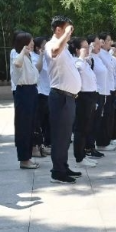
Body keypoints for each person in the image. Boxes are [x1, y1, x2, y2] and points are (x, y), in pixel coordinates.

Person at [44, 16, 81, 184]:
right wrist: (66, 35)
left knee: (65, 136)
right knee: (59, 136)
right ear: (58, 29)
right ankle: (57, 172)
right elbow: (54, 51)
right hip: (60, 97)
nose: (70, 33)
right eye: (67, 29)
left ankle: (63, 166)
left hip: (69, 97)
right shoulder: (51, 44)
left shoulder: (65, 47)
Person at [10, 31, 40, 170]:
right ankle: (23, 159)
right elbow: (17, 64)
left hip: (32, 91)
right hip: (24, 92)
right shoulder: (18, 56)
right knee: (23, 127)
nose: (32, 43)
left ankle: (28, 156)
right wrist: (23, 51)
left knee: (31, 126)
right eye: (30, 41)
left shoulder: (28, 57)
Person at [72, 37, 98, 169]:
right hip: (83, 97)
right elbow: (78, 73)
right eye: (85, 47)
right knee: (80, 128)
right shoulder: (77, 62)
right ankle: (79, 157)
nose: (88, 49)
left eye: (88, 47)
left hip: (91, 96)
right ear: (77, 50)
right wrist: (82, 57)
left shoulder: (86, 62)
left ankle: (82, 153)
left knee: (86, 127)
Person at [32, 36, 51, 157]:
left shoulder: (47, 57)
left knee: (48, 122)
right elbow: (37, 70)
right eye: (45, 44)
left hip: (49, 92)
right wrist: (41, 55)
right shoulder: (34, 57)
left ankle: (45, 144)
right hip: (40, 92)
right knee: (39, 121)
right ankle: (38, 145)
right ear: (38, 47)